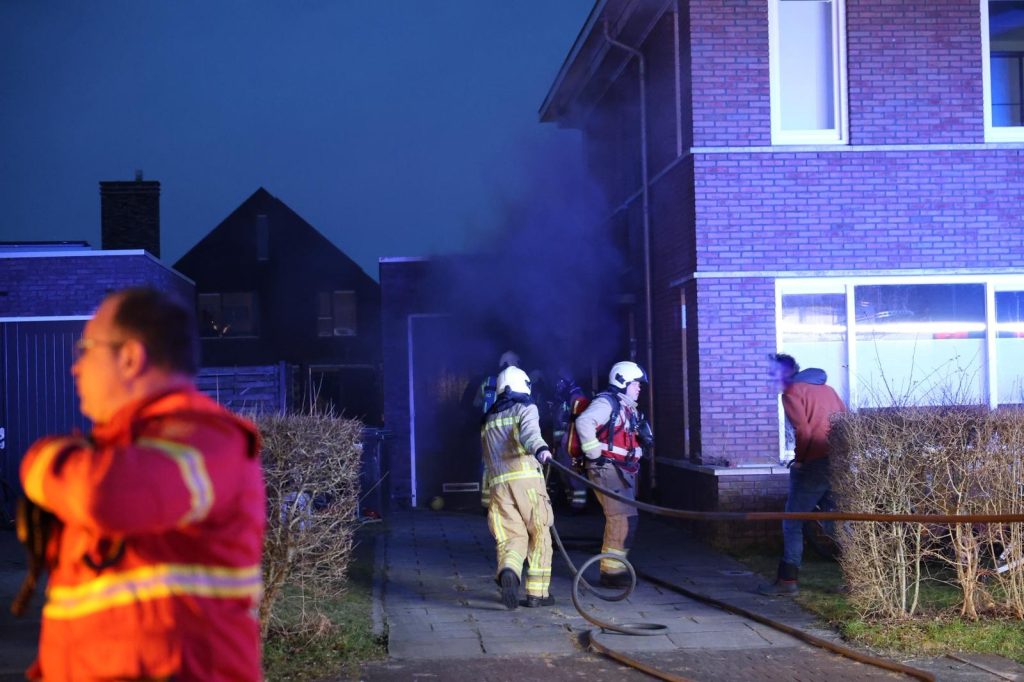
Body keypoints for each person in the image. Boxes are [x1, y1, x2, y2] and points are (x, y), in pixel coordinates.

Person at [19, 288, 265, 680]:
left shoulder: (208, 440)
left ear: (131, 358)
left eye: (85, 350)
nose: (75, 368)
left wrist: (43, 460)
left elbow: (104, 497)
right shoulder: (116, 454)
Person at [758, 353, 847, 596]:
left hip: (814, 464)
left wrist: (799, 460)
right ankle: (858, 580)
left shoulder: (791, 392)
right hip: (837, 462)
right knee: (837, 522)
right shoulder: (828, 390)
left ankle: (787, 581)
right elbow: (845, 422)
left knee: (792, 520)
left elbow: (805, 431)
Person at [481, 366, 555, 610]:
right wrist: (541, 449)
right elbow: (530, 433)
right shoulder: (525, 407)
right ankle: (537, 594)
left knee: (512, 537)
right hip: (527, 483)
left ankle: (509, 570)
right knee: (540, 533)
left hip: (499, 488)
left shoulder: (489, 419)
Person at [575, 361, 647, 588]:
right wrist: (593, 453)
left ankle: (615, 568)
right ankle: (611, 573)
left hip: (620, 470)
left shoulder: (627, 407)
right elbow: (584, 421)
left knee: (629, 518)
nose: (639, 388)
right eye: (635, 383)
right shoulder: (606, 403)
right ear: (622, 382)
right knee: (620, 518)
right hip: (607, 468)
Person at [475, 350, 520, 508]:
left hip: (487, 431)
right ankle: (506, 502)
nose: (518, 366)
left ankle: (487, 503)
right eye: (516, 362)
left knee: (488, 465)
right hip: (506, 432)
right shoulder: (514, 381)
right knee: (509, 465)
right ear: (510, 363)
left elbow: (476, 402)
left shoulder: (487, 381)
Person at [552, 369, 589, 511]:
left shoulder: (577, 397)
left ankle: (578, 506)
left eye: (561, 382)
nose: (558, 385)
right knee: (565, 476)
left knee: (575, 476)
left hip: (572, 444)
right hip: (562, 444)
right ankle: (571, 503)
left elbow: (578, 423)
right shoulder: (562, 399)